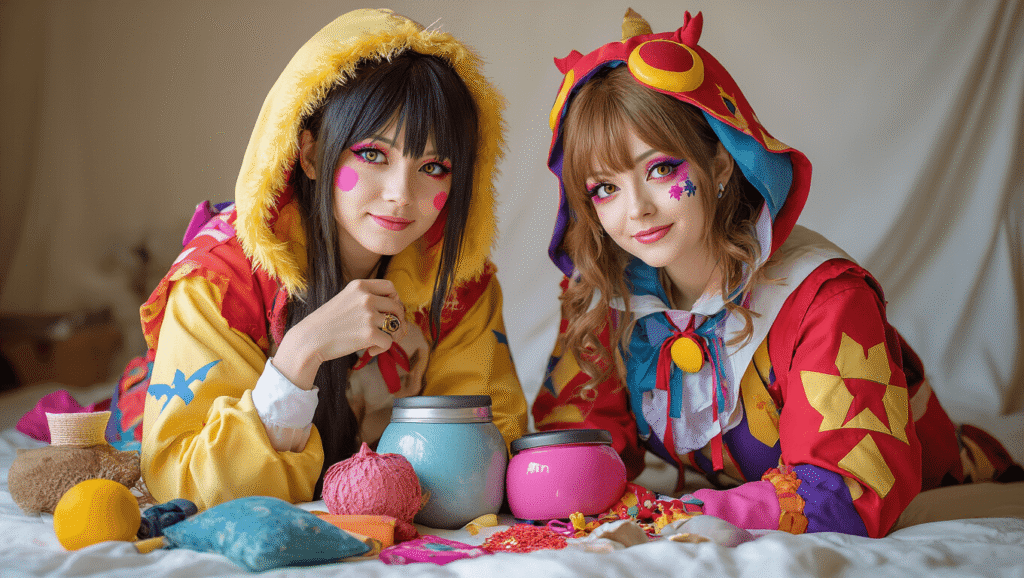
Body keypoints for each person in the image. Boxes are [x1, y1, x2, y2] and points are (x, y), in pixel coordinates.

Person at [533, 9, 1022, 538]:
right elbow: (577, 445)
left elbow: (849, 489)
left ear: (720, 163)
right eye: (605, 187)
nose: (636, 211)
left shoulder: (826, 299)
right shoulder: (603, 291)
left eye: (660, 168)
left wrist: (676, 513)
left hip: (940, 474)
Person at [110, 8, 527, 510]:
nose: (401, 194)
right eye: (373, 154)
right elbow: (188, 484)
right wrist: (300, 353)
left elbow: (486, 462)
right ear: (309, 153)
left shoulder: (458, 284)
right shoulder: (220, 281)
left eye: (433, 166)